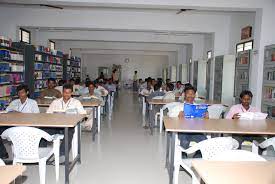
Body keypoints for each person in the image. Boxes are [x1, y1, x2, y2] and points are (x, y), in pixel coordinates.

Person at [44, 84, 86, 159]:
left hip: (68, 126)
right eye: (65, 92)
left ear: (71, 93)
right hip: (56, 126)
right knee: (42, 131)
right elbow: (48, 114)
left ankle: (62, 155)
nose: (67, 94)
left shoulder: (76, 102)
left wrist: (75, 116)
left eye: (69, 92)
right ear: (62, 92)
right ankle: (41, 153)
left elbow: (83, 114)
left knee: (68, 132)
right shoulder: (55, 102)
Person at [0, 84, 40, 159]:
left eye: (22, 92)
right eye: (19, 93)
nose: (20, 94)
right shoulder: (14, 102)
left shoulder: (32, 103)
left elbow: (37, 116)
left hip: (27, 125)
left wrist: (19, 114)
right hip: (12, 124)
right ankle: (3, 153)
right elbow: (7, 111)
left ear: (27, 92)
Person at [177, 86, 208, 157]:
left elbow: (204, 123)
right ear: (184, 94)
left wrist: (206, 117)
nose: (190, 96)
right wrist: (179, 117)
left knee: (205, 141)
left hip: (196, 131)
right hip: (183, 131)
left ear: (195, 95)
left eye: (192, 94)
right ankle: (183, 161)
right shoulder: (180, 106)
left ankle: (197, 158)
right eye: (188, 93)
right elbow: (172, 122)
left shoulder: (199, 107)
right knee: (184, 142)